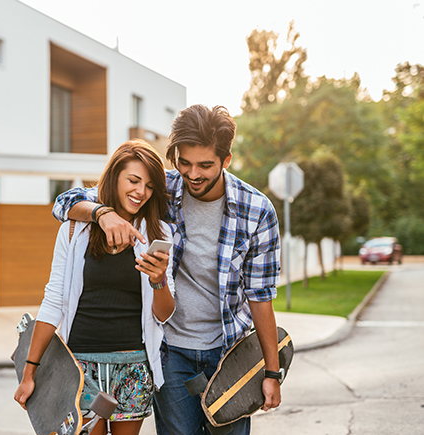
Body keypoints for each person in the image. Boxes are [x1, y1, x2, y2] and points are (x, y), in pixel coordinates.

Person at [52, 105, 282, 435]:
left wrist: (271, 373)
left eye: (205, 165)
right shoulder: (162, 189)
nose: (193, 174)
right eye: (184, 163)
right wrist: (102, 213)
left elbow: (261, 296)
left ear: (226, 160)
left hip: (227, 353)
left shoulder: (256, 210)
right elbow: (65, 203)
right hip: (171, 353)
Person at [14, 139, 176, 435]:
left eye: (149, 186)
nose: (141, 192)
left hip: (133, 368)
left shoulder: (158, 232)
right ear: (115, 177)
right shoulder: (75, 230)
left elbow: (164, 314)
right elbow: (53, 302)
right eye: (134, 180)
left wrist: (159, 280)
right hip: (80, 368)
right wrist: (29, 372)